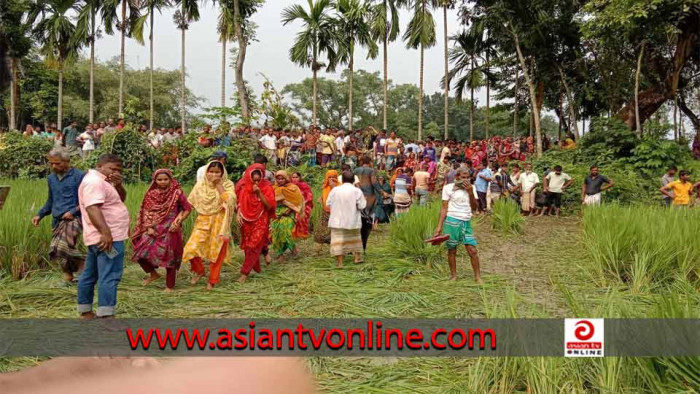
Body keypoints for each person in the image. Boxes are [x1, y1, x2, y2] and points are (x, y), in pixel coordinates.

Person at [77, 154, 129, 319]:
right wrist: (106, 233)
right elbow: (93, 208)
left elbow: (120, 200)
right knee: (110, 275)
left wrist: (118, 185)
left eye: (118, 170)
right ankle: (106, 315)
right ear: (100, 166)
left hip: (100, 236)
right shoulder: (95, 182)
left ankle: (85, 311)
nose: (115, 172)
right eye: (112, 168)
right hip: (107, 237)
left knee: (90, 274)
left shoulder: (104, 182)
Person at [131, 169, 191, 291]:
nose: (162, 182)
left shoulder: (177, 193)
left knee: (170, 258)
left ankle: (169, 286)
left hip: (170, 229)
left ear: (170, 179)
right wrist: (148, 227)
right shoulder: (151, 194)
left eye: (165, 179)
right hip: (153, 230)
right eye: (159, 179)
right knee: (140, 253)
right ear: (155, 180)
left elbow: (187, 208)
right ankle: (153, 274)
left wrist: (178, 221)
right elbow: (146, 212)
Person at [32, 148, 86, 283]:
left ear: (67, 161)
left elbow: (87, 200)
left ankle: (85, 266)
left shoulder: (79, 176)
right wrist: (40, 215)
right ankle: (68, 277)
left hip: (74, 218)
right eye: (51, 163)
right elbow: (51, 200)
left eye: (57, 163)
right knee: (58, 252)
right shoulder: (51, 178)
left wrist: (73, 212)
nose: (53, 166)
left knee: (63, 246)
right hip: (57, 218)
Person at [183, 161, 237, 290]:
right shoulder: (200, 185)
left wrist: (218, 185)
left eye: (217, 172)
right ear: (206, 172)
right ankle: (199, 270)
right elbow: (190, 203)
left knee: (216, 253)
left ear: (222, 173)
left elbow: (229, 201)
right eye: (211, 171)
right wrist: (179, 218)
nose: (213, 174)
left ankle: (212, 280)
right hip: (203, 221)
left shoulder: (227, 184)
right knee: (190, 249)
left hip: (220, 223)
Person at [433, 167, 481, 282]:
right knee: (452, 249)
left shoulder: (472, 188)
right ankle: (453, 276)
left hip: (466, 221)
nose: (465, 180)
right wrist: (439, 227)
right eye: (463, 177)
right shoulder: (448, 188)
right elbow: (444, 208)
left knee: (472, 250)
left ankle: (477, 277)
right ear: (456, 177)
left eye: (467, 178)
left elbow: (474, 208)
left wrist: (470, 192)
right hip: (452, 221)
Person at [236, 163, 275, 283]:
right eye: (254, 180)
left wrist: (259, 193)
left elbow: (269, 205)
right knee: (248, 246)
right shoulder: (244, 188)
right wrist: (238, 213)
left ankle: (244, 273)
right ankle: (255, 266)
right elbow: (239, 203)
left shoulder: (267, 187)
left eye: (259, 180)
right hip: (246, 220)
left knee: (254, 245)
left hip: (261, 219)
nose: (256, 183)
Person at [326, 170, 367, 267]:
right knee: (355, 238)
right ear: (353, 180)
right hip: (352, 220)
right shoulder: (357, 191)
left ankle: (340, 263)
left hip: (337, 220)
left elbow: (328, 203)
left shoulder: (335, 190)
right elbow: (362, 206)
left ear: (342, 180)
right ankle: (357, 258)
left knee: (338, 241)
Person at [354, 156, 387, 251]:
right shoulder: (371, 171)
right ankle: (363, 241)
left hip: (357, 194)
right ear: (370, 162)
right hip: (368, 196)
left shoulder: (356, 170)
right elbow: (374, 182)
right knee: (366, 218)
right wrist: (382, 191)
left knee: (359, 215)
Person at [271, 171, 305, 258]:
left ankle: (293, 250)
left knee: (286, 232)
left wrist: (290, 209)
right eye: (278, 179)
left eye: (282, 178)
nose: (280, 180)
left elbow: (298, 200)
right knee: (276, 233)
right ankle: (280, 255)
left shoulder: (293, 188)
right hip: (277, 213)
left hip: (289, 213)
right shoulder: (273, 188)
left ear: (286, 179)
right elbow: (270, 201)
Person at [314, 170, 338, 244]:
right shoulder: (325, 186)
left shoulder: (339, 186)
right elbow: (325, 195)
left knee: (335, 229)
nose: (331, 179)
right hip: (326, 211)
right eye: (329, 177)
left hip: (336, 212)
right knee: (322, 229)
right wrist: (321, 198)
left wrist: (333, 187)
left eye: (333, 177)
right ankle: (322, 243)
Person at [291, 172, 313, 240]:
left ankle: (302, 234)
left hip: (304, 206)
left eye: (296, 177)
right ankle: (294, 234)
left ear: (300, 178)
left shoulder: (305, 186)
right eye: (293, 177)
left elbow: (309, 197)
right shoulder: (289, 186)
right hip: (292, 206)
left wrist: (302, 204)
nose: (295, 179)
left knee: (302, 220)